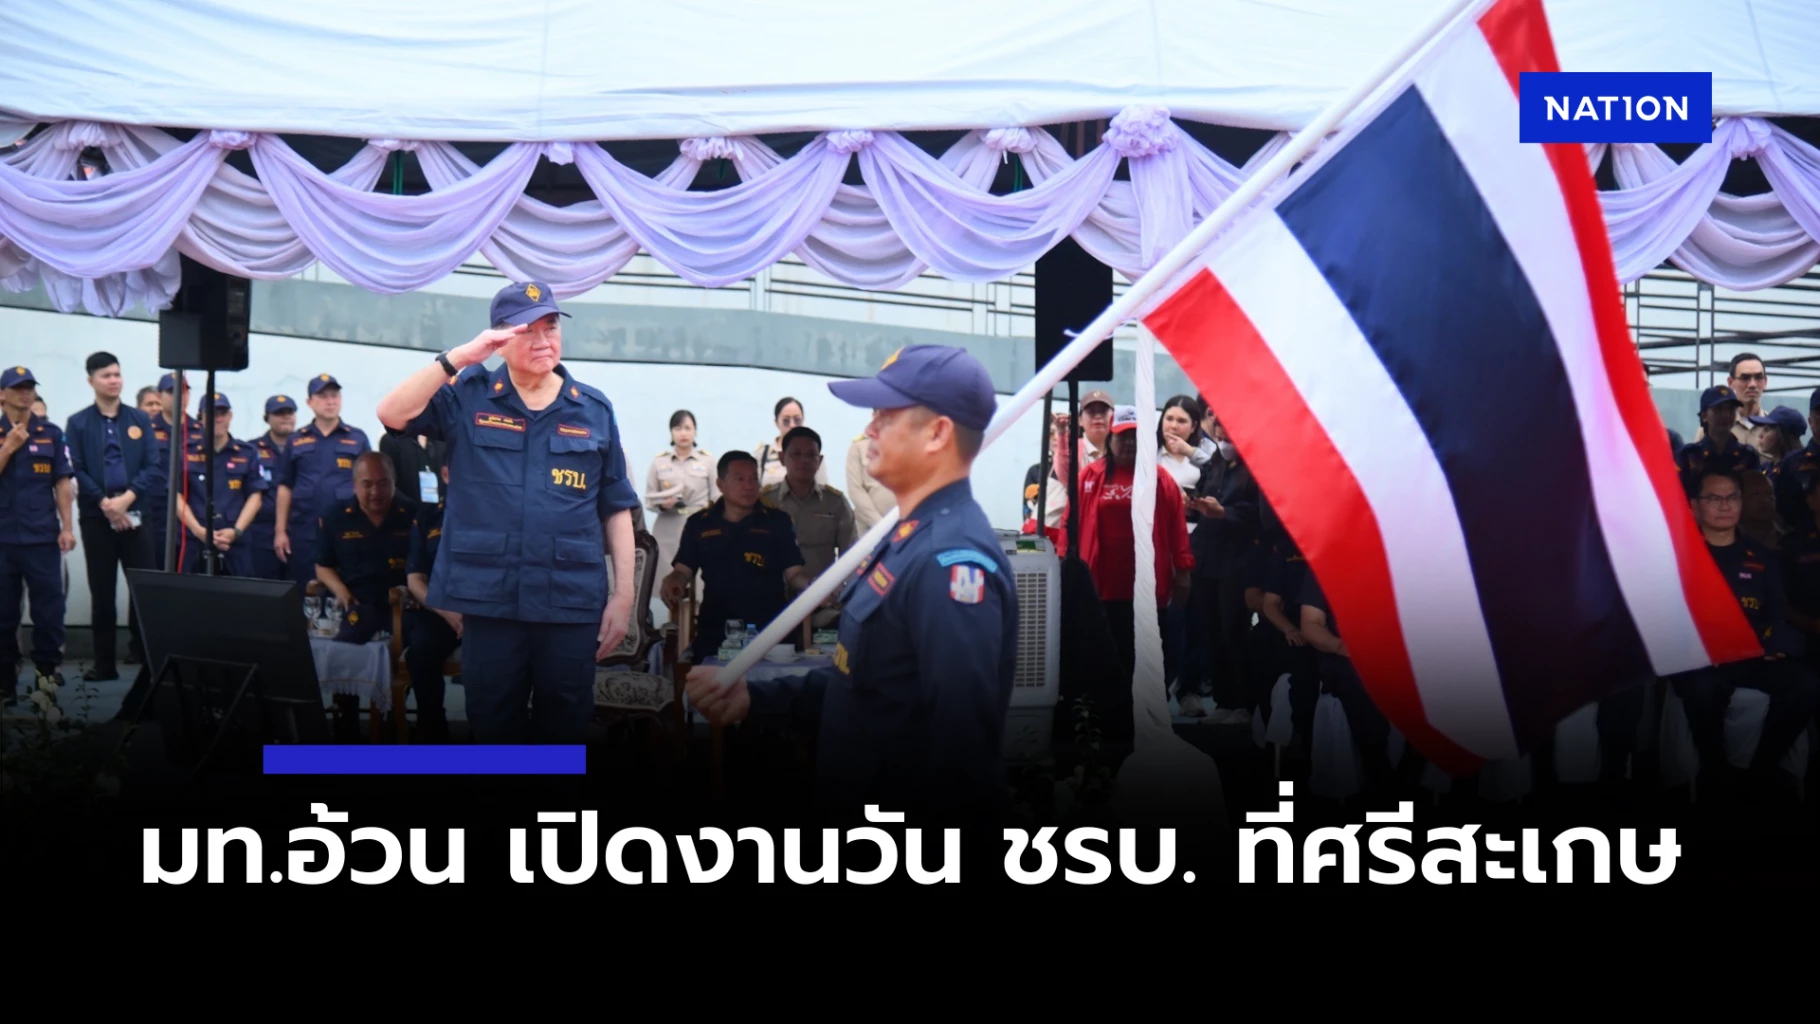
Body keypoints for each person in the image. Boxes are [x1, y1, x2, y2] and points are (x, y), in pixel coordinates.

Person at [686, 344, 1019, 823]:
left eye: (886, 414)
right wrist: (755, 698)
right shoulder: (903, 540)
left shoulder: (948, 562)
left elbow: (960, 755)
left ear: (937, 433)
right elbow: (865, 682)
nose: (869, 429)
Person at [376, 280, 642, 745]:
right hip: (491, 601)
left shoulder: (593, 409)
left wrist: (624, 597)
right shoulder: (469, 395)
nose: (543, 341)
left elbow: (617, 507)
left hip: (569, 601)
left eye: (551, 327)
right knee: (495, 727)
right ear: (499, 339)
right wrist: (459, 357)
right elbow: (392, 413)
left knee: (566, 732)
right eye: (527, 331)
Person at [1668, 468, 1817, 793]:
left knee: (1806, 685)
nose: (1725, 505)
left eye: (1732, 497)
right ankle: (1715, 771)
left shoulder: (1763, 558)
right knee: (1702, 690)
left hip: (1753, 655)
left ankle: (1760, 771)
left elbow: (1779, 616)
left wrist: (1775, 644)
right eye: (1714, 498)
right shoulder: (1676, 556)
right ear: (1694, 506)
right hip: (1702, 659)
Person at [1073, 406, 1193, 704]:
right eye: (1122, 437)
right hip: (1100, 588)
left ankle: (1149, 719)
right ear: (1110, 439)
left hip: (1147, 589)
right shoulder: (1090, 476)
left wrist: (1183, 571)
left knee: (1148, 662)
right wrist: (1066, 565)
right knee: (1103, 661)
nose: (1128, 443)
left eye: (1135, 437)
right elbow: (1069, 526)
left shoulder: (1161, 479)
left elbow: (1177, 529)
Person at [65, 351, 162, 681]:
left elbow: (152, 466)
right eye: (106, 375)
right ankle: (104, 665)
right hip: (97, 518)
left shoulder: (139, 419)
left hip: (137, 514)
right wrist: (106, 504)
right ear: (91, 381)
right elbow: (76, 468)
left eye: (117, 374)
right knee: (102, 593)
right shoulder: (78, 422)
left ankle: (150, 664)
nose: (114, 380)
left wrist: (127, 499)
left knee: (144, 592)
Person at [662, 450, 813, 662]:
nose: (749, 486)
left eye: (753, 478)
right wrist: (673, 580)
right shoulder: (700, 523)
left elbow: (794, 573)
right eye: (739, 479)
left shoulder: (777, 521)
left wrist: (815, 586)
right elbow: (682, 570)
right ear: (720, 484)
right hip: (717, 628)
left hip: (769, 628)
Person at [0, 366, 76, 696]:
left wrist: (67, 527)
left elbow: (62, 482)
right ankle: (5, 680)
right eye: (18, 387)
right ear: (2, 395)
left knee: (49, 612)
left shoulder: (51, 433)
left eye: (29, 387)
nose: (25, 393)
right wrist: (8, 447)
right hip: (3, 539)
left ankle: (47, 677)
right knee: (3, 614)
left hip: (42, 537)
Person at [275, 373, 371, 589]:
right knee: (305, 590)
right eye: (323, 396)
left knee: (347, 591)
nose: (330, 401)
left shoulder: (357, 438)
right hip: (304, 531)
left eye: (335, 396)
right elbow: (285, 487)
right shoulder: (296, 440)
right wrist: (280, 531)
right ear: (309, 402)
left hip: (347, 529)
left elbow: (370, 485)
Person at [761, 425, 856, 628]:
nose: (804, 460)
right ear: (782, 458)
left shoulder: (835, 503)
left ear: (819, 461)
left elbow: (851, 557)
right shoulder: (765, 502)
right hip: (773, 602)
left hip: (823, 603)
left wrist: (841, 591)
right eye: (796, 454)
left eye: (811, 455)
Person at [176, 393, 267, 576]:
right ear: (200, 418)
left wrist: (236, 531)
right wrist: (198, 531)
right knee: (192, 593)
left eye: (222, 413)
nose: (217, 419)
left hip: (235, 543)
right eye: (211, 414)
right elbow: (176, 496)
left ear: (230, 416)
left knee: (239, 593)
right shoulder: (184, 452)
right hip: (195, 542)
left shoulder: (247, 452)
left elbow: (256, 496)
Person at [405, 464, 458, 741]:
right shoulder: (427, 516)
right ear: (446, 474)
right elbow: (415, 580)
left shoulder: (496, 513)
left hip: (486, 612)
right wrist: (450, 615)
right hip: (439, 610)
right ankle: (433, 731)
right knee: (421, 649)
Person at [645, 409, 717, 610]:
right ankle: (672, 626)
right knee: (669, 585)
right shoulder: (660, 462)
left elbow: (717, 497)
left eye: (687, 428)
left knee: (700, 585)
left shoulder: (707, 461)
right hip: (668, 529)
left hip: (700, 526)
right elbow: (649, 498)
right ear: (671, 432)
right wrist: (663, 504)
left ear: (695, 431)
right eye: (678, 428)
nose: (683, 433)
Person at [145, 372, 198, 571]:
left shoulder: (200, 431)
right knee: (156, 572)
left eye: (183, 391)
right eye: (172, 392)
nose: (179, 397)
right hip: (156, 513)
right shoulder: (146, 430)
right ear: (159, 396)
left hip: (192, 513)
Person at [246, 395, 297, 581]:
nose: (286, 417)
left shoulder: (305, 448)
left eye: (290, 412)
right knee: (265, 585)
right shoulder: (251, 450)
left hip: (298, 528)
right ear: (267, 417)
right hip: (262, 531)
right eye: (279, 413)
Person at [753, 397, 828, 490]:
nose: (792, 425)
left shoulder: (813, 453)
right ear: (776, 422)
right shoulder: (763, 454)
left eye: (797, 420)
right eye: (786, 421)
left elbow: (822, 490)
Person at [381, 421, 447, 507]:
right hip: (405, 510)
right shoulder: (390, 441)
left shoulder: (442, 441)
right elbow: (389, 485)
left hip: (441, 510)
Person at [845, 431, 894, 535]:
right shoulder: (859, 446)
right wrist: (880, 525)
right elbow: (855, 490)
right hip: (870, 531)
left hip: (907, 527)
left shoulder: (910, 443)